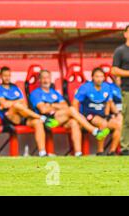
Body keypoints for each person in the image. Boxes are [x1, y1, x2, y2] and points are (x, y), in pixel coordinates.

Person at [30, 70, 110, 157]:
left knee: (74, 122)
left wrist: (51, 104)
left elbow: (65, 106)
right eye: (44, 78)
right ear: (39, 80)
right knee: (72, 109)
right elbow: (43, 109)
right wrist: (57, 106)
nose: (46, 80)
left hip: (60, 120)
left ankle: (78, 153)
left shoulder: (55, 93)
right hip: (49, 121)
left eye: (48, 78)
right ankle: (94, 131)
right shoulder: (36, 93)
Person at [0, 67, 59, 157]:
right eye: (5, 76)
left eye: (8, 76)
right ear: (0, 77)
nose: (7, 78)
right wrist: (15, 103)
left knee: (38, 123)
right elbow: (4, 104)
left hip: (22, 115)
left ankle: (42, 152)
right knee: (17, 106)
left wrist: (11, 103)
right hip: (8, 117)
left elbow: (24, 104)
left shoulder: (15, 89)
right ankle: (41, 117)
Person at [73, 68, 122, 155]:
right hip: (89, 115)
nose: (99, 79)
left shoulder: (107, 87)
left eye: (101, 76)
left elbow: (109, 102)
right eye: (97, 76)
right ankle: (100, 151)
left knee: (118, 124)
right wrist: (79, 117)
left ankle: (112, 151)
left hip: (103, 114)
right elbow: (75, 103)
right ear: (92, 77)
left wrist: (116, 114)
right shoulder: (85, 87)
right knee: (102, 123)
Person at [111, 25, 129, 155]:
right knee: (127, 119)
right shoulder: (120, 51)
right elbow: (114, 70)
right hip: (127, 88)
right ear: (125, 34)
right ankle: (125, 147)